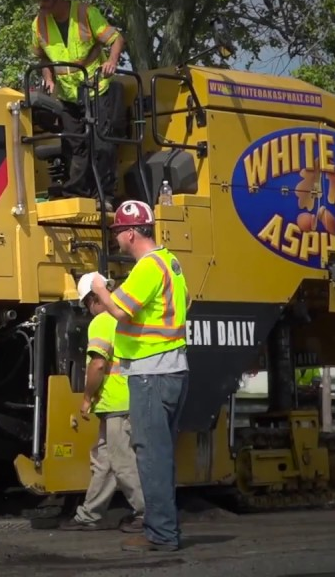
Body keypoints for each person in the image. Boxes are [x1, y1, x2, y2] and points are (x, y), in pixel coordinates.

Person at [86, 199, 189, 553]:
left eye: (117, 233)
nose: (116, 240)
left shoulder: (147, 267)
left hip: (151, 376)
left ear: (130, 233)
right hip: (171, 371)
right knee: (160, 454)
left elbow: (118, 310)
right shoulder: (169, 262)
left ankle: (161, 534)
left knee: (151, 456)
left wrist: (99, 287)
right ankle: (163, 529)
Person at [29, 0, 126, 206]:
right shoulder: (38, 24)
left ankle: (104, 197)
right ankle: (76, 196)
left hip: (96, 87)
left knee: (101, 143)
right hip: (67, 95)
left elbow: (116, 39)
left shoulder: (85, 13)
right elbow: (42, 56)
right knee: (73, 145)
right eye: (40, 0)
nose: (42, 4)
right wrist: (48, 77)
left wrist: (111, 62)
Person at [58, 272, 145, 533]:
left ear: (95, 298)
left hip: (117, 402)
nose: (88, 309)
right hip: (121, 402)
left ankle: (148, 514)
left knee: (122, 462)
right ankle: (89, 515)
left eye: (86, 303)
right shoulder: (125, 317)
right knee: (104, 462)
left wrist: (86, 397)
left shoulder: (102, 321)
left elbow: (98, 363)